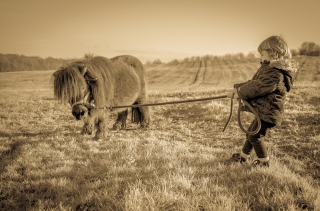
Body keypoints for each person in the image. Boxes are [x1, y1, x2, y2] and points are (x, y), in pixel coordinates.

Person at [227, 36, 298, 167]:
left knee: (255, 136)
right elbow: (254, 83)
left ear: (274, 53)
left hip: (269, 113)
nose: (260, 57)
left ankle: (264, 162)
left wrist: (240, 93)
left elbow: (258, 87)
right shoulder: (269, 69)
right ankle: (243, 157)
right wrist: (237, 89)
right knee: (251, 133)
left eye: (262, 54)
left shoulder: (275, 73)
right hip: (264, 111)